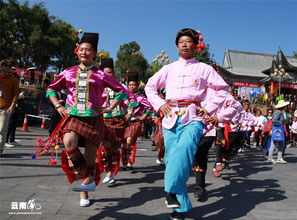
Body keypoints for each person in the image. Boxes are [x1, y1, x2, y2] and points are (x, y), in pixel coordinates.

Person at [145, 28, 229, 220]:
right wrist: (160, 104)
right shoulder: (168, 68)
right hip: (170, 116)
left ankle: (170, 190)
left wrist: (209, 108)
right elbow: (150, 87)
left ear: (196, 46)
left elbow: (222, 88)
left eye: (188, 41)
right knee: (173, 158)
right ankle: (179, 207)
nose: (184, 44)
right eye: (181, 41)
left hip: (194, 117)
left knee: (183, 151)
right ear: (177, 46)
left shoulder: (205, 69)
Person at [46, 32, 128, 207]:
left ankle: (84, 193)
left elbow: (122, 91)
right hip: (73, 116)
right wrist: (58, 106)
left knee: (89, 160)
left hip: (94, 118)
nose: (84, 52)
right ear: (77, 52)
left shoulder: (101, 74)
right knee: (69, 141)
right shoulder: (68, 72)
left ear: (94, 53)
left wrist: (109, 107)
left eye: (88, 50)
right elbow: (51, 89)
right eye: (81, 49)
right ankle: (89, 179)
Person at [122, 72, 153, 170]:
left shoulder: (140, 98)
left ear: (137, 86)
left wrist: (144, 116)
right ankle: (125, 161)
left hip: (136, 121)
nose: (132, 87)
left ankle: (129, 162)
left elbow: (150, 107)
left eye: (134, 85)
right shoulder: (123, 97)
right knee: (124, 142)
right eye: (130, 85)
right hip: (124, 121)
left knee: (129, 139)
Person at [0, 59, 20, 156]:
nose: (8, 68)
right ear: (1, 67)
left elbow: (16, 94)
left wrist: (12, 106)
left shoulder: (13, 80)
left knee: (2, 129)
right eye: (5, 66)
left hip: (5, 108)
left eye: (9, 66)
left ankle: (0, 149)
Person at [268, 99, 290, 164]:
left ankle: (278, 158)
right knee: (276, 144)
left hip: (277, 129)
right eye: (285, 106)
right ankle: (272, 158)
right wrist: (280, 123)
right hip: (277, 129)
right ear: (283, 107)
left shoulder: (279, 112)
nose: (286, 107)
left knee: (280, 144)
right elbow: (274, 120)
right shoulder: (278, 112)